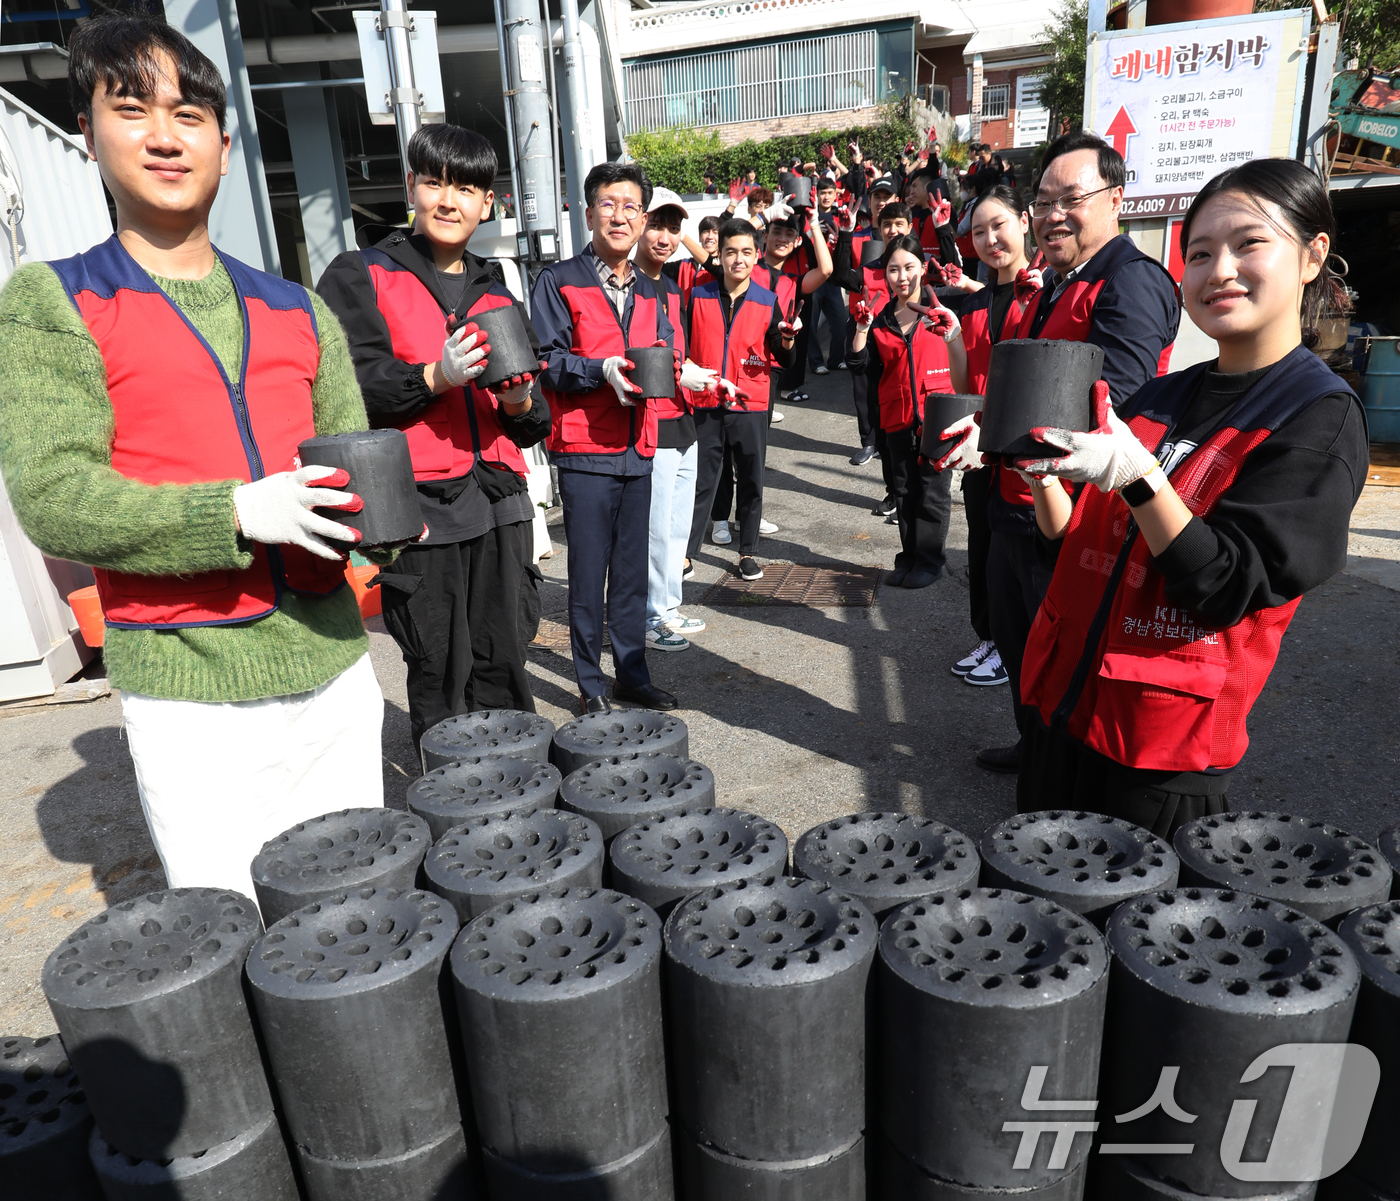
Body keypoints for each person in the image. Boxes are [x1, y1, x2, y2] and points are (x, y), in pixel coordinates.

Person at [0, 15, 390, 899]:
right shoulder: (55, 301)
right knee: (237, 932)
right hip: (191, 697)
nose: (165, 135)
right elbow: (54, 497)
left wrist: (378, 539)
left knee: (368, 923)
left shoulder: (295, 307)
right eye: (131, 109)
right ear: (90, 136)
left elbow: (358, 470)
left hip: (332, 675)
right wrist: (236, 513)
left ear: (224, 139)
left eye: (189, 113)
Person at [1013, 157, 1365, 837]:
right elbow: (1071, 538)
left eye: (1248, 244)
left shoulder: (1317, 414)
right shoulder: (1164, 393)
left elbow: (1228, 581)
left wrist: (1141, 478)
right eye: (1199, 253)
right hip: (1062, 719)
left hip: (1157, 760)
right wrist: (1037, 472)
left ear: (1313, 255)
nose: (1219, 270)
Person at [957, 131, 1181, 775]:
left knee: (1062, 645)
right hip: (1015, 497)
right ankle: (1036, 747)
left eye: (1070, 198)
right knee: (1020, 639)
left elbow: (1124, 405)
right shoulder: (1053, 282)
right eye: (1044, 199)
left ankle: (1062, 770)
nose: (1053, 214)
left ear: (1115, 199)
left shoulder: (1131, 281)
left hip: (1072, 515)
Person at [318, 124, 546, 747]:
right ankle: (456, 817)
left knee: (505, 662)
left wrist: (522, 400)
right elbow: (349, 389)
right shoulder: (359, 274)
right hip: (421, 509)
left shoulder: (497, 288)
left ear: (487, 204)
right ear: (411, 187)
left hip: (500, 502)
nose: (449, 201)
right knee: (440, 671)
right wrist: (435, 376)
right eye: (436, 182)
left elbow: (533, 425)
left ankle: (521, 805)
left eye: (467, 188)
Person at [531, 162, 679, 714]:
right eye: (609, 204)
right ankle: (591, 684)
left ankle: (632, 672)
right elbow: (545, 360)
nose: (620, 216)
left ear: (641, 219)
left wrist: (670, 372)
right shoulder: (559, 279)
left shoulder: (651, 288)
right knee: (588, 574)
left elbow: (664, 350)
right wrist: (601, 371)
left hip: (638, 447)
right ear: (589, 212)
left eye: (631, 207)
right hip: (585, 451)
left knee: (632, 573)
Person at [937, 185, 1041, 689]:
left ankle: (1013, 643)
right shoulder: (976, 304)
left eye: (998, 225)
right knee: (982, 549)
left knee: (1017, 555)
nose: (990, 238)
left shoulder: (1046, 292)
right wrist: (955, 334)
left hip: (1027, 452)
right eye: (979, 231)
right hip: (981, 451)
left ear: (1025, 221)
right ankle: (992, 637)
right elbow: (964, 386)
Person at [847, 235, 968, 588]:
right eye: (894, 269)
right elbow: (858, 364)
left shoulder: (942, 305)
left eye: (910, 267)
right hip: (896, 415)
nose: (902, 277)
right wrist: (861, 328)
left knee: (932, 490)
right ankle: (909, 556)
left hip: (937, 414)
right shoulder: (879, 317)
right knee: (903, 490)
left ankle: (930, 560)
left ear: (923, 268)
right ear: (885, 274)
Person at [684, 218, 797, 582]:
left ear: (757, 255)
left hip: (751, 404)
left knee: (751, 479)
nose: (739, 259)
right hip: (705, 401)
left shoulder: (768, 301)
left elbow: (785, 357)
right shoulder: (698, 295)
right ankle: (685, 554)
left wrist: (789, 339)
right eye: (731, 251)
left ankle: (747, 551)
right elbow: (681, 348)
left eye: (747, 252)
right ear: (719, 254)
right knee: (701, 481)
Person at [633, 187, 714, 653]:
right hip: (652, 419)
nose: (665, 236)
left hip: (684, 416)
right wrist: (684, 371)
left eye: (673, 228)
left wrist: (691, 374)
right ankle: (649, 614)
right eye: (657, 225)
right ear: (641, 223)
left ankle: (668, 605)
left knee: (678, 526)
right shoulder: (629, 284)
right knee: (656, 527)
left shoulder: (670, 282)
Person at [833, 174, 900, 468]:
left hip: (896, 323)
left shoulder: (905, 240)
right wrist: (845, 236)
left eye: (887, 197)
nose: (882, 202)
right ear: (870, 204)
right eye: (877, 198)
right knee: (862, 388)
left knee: (892, 385)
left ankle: (892, 438)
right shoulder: (857, 236)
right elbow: (844, 275)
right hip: (861, 322)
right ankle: (868, 441)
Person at [752, 206, 833, 408]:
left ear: (797, 241)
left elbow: (826, 270)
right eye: (776, 232)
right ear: (764, 236)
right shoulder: (747, 271)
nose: (782, 239)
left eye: (789, 234)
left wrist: (814, 223)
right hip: (742, 361)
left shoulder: (793, 283)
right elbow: (731, 236)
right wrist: (763, 216)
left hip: (771, 367)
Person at [807, 176, 849, 376]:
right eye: (822, 193)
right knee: (810, 323)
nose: (826, 196)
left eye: (830, 193)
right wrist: (811, 233)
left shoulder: (840, 216)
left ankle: (836, 359)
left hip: (832, 280)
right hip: (813, 276)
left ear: (835, 195)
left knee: (840, 320)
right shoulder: (808, 215)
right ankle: (816, 362)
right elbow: (797, 240)